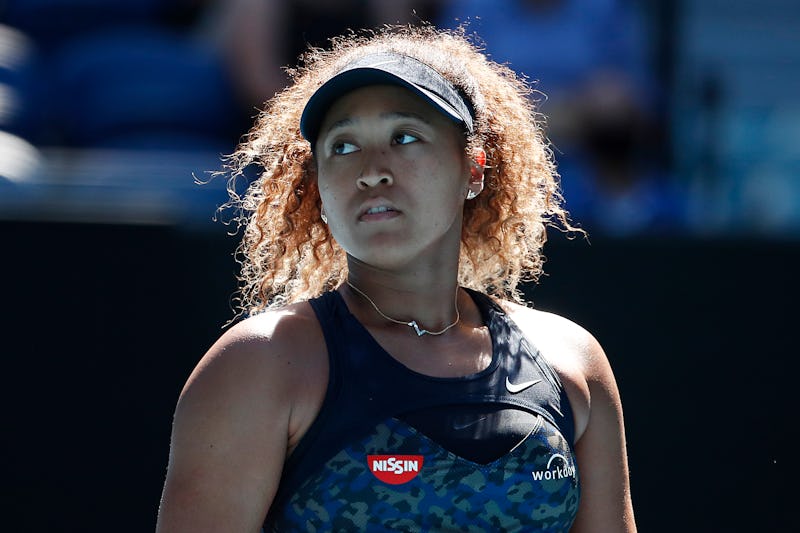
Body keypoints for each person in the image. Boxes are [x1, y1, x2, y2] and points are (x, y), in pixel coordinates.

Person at [156, 23, 636, 532]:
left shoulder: (571, 362)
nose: (371, 171)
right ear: (316, 186)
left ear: (473, 169)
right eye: (343, 146)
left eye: (404, 137)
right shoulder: (259, 363)